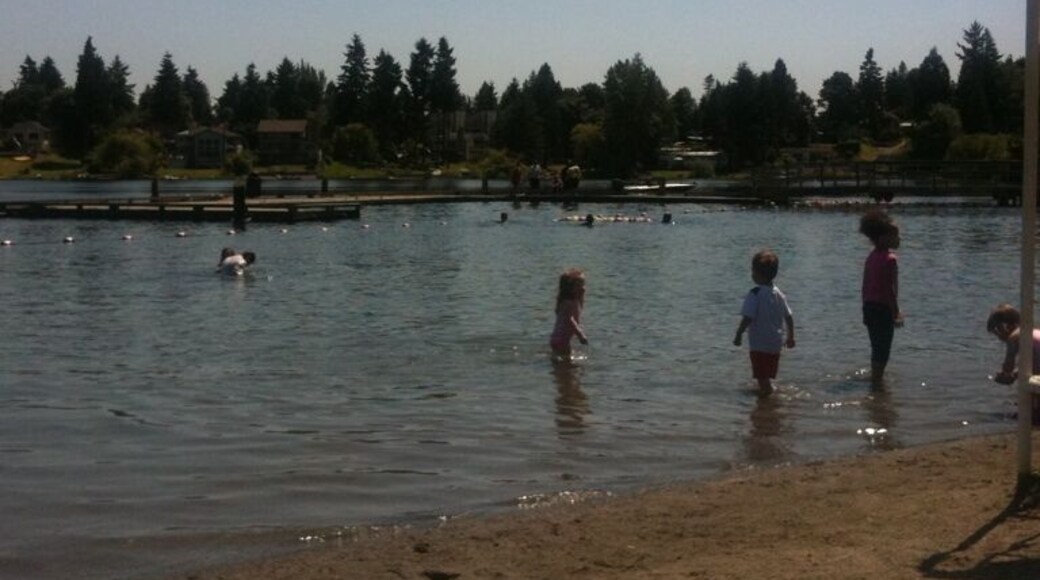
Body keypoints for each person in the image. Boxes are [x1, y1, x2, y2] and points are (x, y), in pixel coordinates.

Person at [733, 249, 795, 396]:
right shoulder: (779, 294)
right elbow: (789, 316)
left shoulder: (755, 294)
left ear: (756, 274)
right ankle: (769, 401)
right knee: (766, 375)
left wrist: (739, 334)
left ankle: (770, 398)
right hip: (775, 345)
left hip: (759, 345)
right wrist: (791, 336)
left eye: (752, 271)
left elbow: (747, 317)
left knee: (762, 378)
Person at [860, 209, 903, 387]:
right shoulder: (890, 259)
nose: (899, 239)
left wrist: (864, 308)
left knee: (876, 346)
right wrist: (896, 312)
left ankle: (875, 378)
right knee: (883, 348)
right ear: (882, 238)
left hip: (869, 306)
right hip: (883, 308)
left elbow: (864, 286)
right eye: (895, 235)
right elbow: (890, 289)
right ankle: (877, 382)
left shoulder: (871, 257)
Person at [986, 304, 1040, 425]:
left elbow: (1008, 366)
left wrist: (1005, 375)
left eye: (997, 333)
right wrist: (1015, 374)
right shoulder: (1033, 331)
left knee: (1029, 401)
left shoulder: (1014, 337)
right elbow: (1030, 362)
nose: (999, 339)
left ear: (1003, 327)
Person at [550, 269, 589, 360]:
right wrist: (580, 335)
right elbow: (570, 320)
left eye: (583, 285)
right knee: (568, 364)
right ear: (570, 288)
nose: (583, 288)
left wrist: (581, 296)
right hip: (562, 340)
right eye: (580, 285)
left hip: (557, 338)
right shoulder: (568, 303)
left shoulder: (566, 301)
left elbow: (579, 311)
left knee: (562, 361)